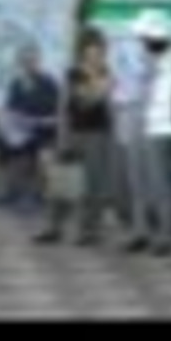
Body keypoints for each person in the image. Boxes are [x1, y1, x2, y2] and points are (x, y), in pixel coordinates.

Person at [35, 33, 117, 246]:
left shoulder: (106, 71)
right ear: (82, 50)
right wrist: (99, 88)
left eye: (98, 48)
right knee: (61, 181)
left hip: (98, 133)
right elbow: (81, 102)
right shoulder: (74, 72)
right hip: (73, 131)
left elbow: (101, 101)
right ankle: (54, 227)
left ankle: (89, 230)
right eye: (90, 48)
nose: (94, 53)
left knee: (93, 183)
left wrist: (98, 87)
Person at [117, 10, 171, 257]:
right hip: (134, 115)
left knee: (159, 179)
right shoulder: (133, 53)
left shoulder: (168, 54)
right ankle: (140, 231)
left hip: (157, 119)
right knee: (136, 178)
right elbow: (125, 84)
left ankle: (166, 234)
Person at [0, 45, 61, 216]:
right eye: (24, 61)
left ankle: (33, 195)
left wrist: (36, 122)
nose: (28, 64)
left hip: (44, 129)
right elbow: (10, 109)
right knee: (1, 141)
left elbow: (56, 114)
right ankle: (9, 192)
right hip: (22, 129)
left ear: (38, 61)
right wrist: (6, 121)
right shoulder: (16, 83)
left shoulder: (49, 83)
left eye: (31, 61)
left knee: (32, 148)